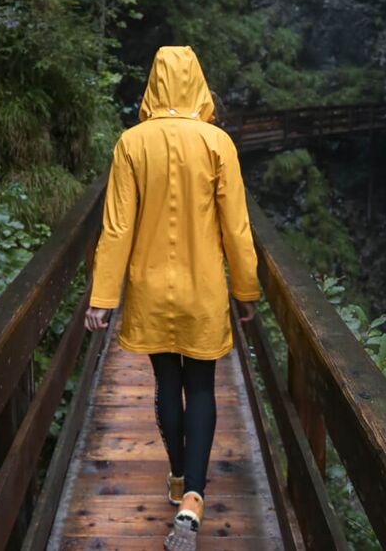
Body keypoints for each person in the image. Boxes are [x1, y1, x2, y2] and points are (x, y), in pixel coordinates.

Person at [84, 45, 260, 550]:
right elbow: (237, 227)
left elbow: (116, 227)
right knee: (202, 385)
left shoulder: (132, 143)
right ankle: (194, 500)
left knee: (167, 381)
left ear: (155, 83)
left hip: (151, 289)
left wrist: (102, 296)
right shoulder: (218, 143)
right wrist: (245, 288)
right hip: (203, 289)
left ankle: (179, 475)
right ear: (198, 83)